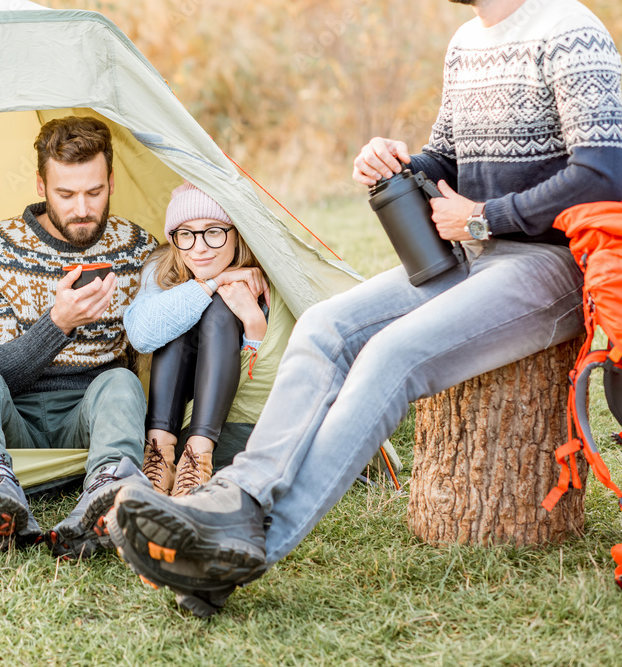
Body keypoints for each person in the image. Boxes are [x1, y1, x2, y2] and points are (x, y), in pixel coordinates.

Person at [110, 0, 622, 617]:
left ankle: (241, 552)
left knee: (392, 354)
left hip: (553, 263)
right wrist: (399, 164)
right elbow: (448, 159)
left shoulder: (569, 29)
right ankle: (238, 502)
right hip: (467, 250)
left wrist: (487, 216)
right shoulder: (467, 40)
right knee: (327, 326)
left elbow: (605, 172)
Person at [0, 116, 158, 559]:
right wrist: (57, 324)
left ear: (112, 181)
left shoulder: (137, 249)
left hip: (89, 418)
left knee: (120, 382)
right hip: (14, 418)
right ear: (41, 186)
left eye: (94, 192)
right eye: (66, 194)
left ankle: (107, 491)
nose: (82, 208)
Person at [125, 182, 272, 496]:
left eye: (214, 231)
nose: (199, 248)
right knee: (176, 316)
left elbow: (265, 374)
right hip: (175, 399)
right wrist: (214, 281)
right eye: (186, 234)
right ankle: (159, 455)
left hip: (230, 405)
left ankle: (196, 461)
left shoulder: (263, 271)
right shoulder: (162, 267)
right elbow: (142, 335)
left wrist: (254, 326)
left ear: (236, 233)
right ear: (174, 239)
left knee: (218, 310)